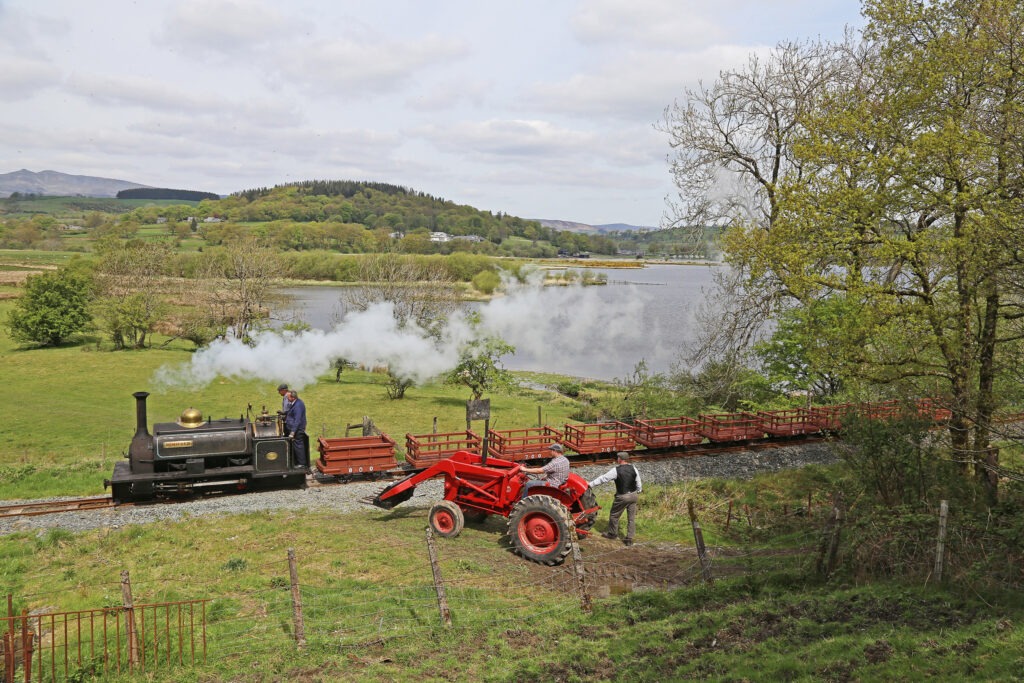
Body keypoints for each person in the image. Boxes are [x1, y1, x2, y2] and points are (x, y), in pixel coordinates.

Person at [588, 452, 642, 546]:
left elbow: (603, 479)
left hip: (622, 496)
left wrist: (590, 484)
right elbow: (638, 482)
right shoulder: (634, 468)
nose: (617, 459)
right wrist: (638, 490)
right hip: (633, 495)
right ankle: (629, 539)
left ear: (620, 459)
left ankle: (612, 534)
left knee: (614, 515)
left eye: (617, 458)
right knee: (631, 518)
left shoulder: (616, 470)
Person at [284, 389, 309, 471]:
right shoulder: (295, 403)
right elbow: (292, 413)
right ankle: (297, 462)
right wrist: (284, 413)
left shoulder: (298, 405)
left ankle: (302, 464)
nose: (287, 399)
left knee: (298, 445)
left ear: (292, 397)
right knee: (296, 445)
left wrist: (292, 432)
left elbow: (297, 420)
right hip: (295, 429)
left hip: (297, 430)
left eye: (288, 397)